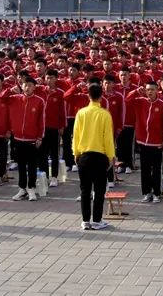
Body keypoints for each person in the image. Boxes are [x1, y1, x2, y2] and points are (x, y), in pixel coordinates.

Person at [72, 83, 115, 230]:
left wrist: (75, 153)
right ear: (101, 96)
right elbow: (108, 138)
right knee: (99, 189)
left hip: (83, 155)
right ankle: (96, 220)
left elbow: (76, 136)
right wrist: (111, 156)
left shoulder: (81, 113)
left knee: (85, 190)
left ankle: (85, 220)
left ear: (88, 96)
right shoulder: (105, 114)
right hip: (99, 156)